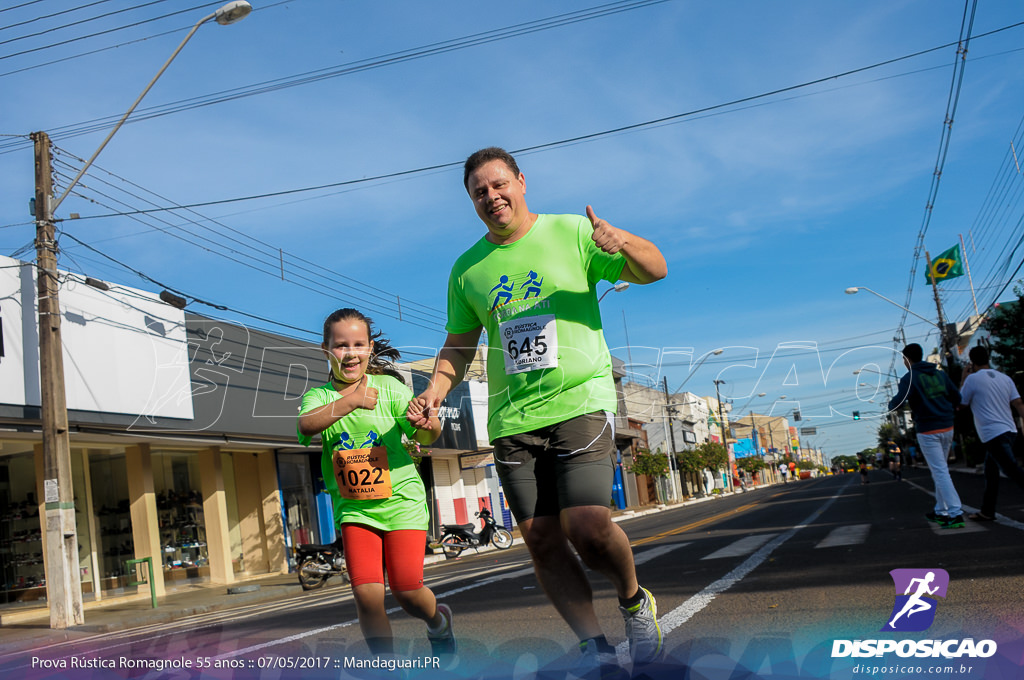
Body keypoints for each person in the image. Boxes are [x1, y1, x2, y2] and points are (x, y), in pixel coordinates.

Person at [408, 147, 667, 670]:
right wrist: (436, 389)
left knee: (588, 527)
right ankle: (595, 646)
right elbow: (460, 343)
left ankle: (635, 600)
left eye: (499, 184)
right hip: (512, 419)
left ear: (522, 182)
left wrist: (623, 242)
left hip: (580, 402)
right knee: (543, 541)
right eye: (479, 192)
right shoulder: (467, 270)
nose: (491, 197)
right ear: (471, 201)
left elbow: (655, 269)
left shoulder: (572, 232)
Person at [298, 308, 454, 657]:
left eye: (358, 344)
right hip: (355, 509)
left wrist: (427, 424)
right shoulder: (319, 397)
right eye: (340, 346)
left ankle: (438, 622)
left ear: (370, 349)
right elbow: (307, 426)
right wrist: (351, 400)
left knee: (406, 589)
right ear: (326, 350)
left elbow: (426, 438)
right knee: (367, 596)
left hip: (402, 503)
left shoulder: (391, 389)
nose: (350, 353)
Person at [887, 343, 964, 528]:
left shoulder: (909, 378)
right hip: (947, 426)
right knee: (941, 470)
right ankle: (940, 510)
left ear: (906, 359)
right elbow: (957, 398)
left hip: (928, 429)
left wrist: (892, 404)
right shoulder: (940, 374)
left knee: (940, 471)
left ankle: (955, 512)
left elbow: (896, 404)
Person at [958, 345, 1024, 522]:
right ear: (988, 358)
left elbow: (960, 405)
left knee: (1013, 471)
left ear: (971, 362)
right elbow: (1018, 403)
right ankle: (987, 511)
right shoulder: (1005, 378)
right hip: (1010, 430)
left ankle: (987, 511)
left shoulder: (972, 380)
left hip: (993, 433)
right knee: (991, 473)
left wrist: (963, 379)